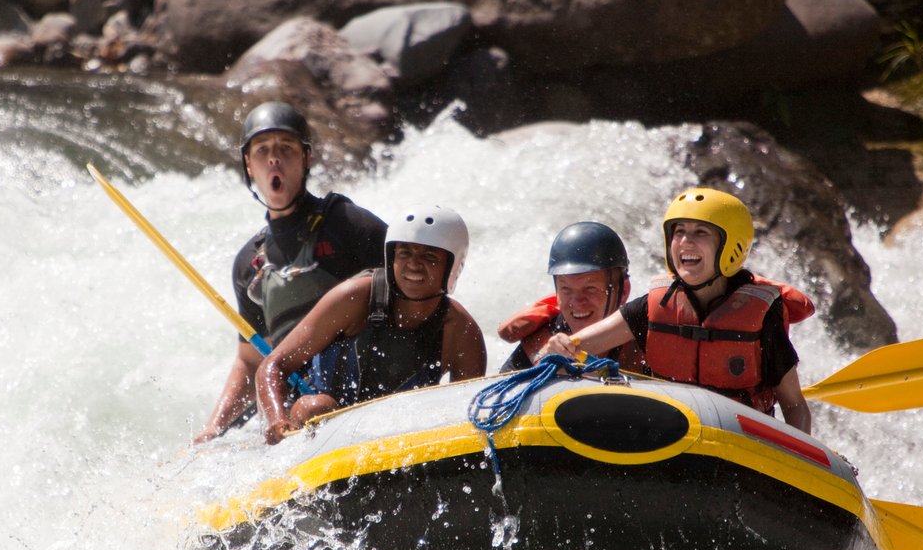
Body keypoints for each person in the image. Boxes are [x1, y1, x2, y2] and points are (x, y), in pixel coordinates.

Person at [541, 188, 815, 434]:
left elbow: (794, 405)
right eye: (679, 232)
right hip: (674, 439)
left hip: (739, 443)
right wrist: (559, 347)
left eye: (700, 232)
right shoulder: (653, 306)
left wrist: (802, 464)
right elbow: (578, 347)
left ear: (731, 244)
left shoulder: (762, 316)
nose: (686, 241)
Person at [193, 101, 387, 443]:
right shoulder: (248, 263)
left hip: (362, 387)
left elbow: (419, 290)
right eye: (262, 151)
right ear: (249, 166)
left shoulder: (349, 224)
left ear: (306, 158)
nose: (273, 159)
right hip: (294, 406)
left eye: (286, 148)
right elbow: (253, 360)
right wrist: (214, 428)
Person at [256, 204, 487, 445]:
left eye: (429, 256)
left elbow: (466, 420)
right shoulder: (355, 297)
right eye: (405, 253)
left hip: (401, 437)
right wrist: (276, 421)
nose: (413, 265)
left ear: (452, 266)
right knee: (315, 407)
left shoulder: (461, 331)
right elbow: (273, 366)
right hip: (321, 426)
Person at [497, 221, 645, 373]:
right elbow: (499, 393)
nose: (576, 301)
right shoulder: (539, 343)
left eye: (590, 289)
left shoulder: (644, 339)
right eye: (566, 289)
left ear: (624, 292)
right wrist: (547, 371)